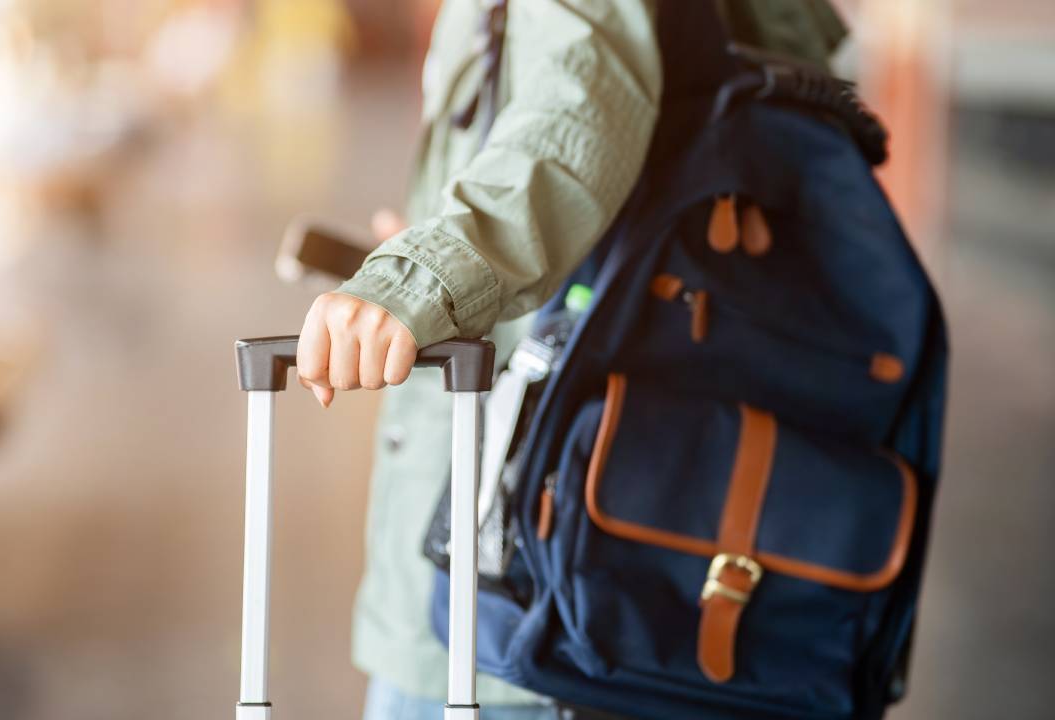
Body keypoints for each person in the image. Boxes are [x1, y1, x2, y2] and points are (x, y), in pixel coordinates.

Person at [293, 1, 848, 717]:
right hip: (629, 530)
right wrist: (432, 235)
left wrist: (419, 279)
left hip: (516, 582)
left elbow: (577, 114)